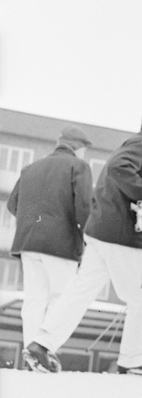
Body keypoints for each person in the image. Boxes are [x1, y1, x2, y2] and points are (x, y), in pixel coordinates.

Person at [24, 97, 142, 377]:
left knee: (80, 292)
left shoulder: (139, 145)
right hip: (122, 235)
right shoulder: (141, 145)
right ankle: (133, 360)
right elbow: (119, 168)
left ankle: (41, 344)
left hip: (101, 232)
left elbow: (117, 171)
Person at [6, 126, 94, 369]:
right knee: (62, 297)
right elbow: (84, 207)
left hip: (28, 243)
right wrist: (87, 236)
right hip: (61, 244)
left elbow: (13, 204)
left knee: (34, 299)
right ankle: (44, 348)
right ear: (80, 148)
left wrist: (32, 220)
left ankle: (30, 352)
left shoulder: (30, 168)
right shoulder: (79, 167)